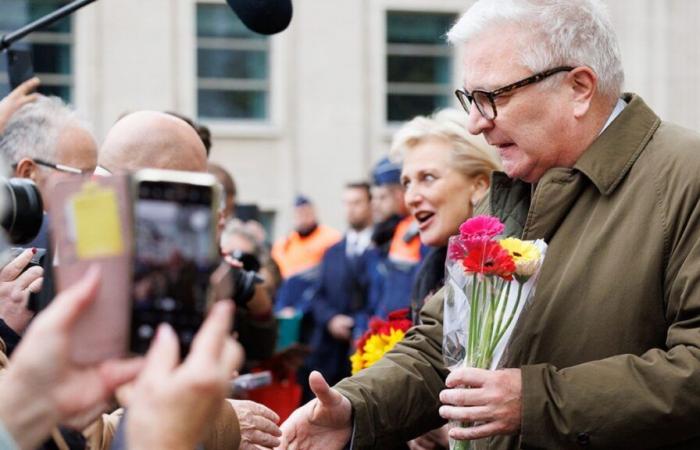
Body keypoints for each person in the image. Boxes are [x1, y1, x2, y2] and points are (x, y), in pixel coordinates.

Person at [279, 0, 700, 448]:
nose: (475, 123)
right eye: (469, 99)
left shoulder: (684, 175)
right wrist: (355, 409)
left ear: (579, 88)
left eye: (492, 97)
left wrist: (536, 401)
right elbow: (442, 345)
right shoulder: (516, 191)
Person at [97, 110, 282, 450]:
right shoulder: (63, 272)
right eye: (194, 190)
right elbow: (83, 435)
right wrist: (217, 423)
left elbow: (262, 339)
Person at [388, 110, 499, 450]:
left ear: (479, 185)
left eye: (428, 178)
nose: (411, 196)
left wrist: (459, 428)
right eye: (407, 182)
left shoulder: (510, 264)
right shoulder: (429, 271)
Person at [304, 182, 373, 399]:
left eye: (357, 202)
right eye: (346, 203)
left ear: (371, 204)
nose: (350, 208)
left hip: (368, 350)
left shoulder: (383, 249)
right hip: (331, 355)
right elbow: (318, 296)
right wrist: (331, 319)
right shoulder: (332, 252)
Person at [364, 158, 424, 325]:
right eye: (373, 198)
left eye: (382, 197)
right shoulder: (383, 237)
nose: (375, 205)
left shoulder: (417, 231)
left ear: (400, 195)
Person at [272, 196, 341, 329]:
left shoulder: (330, 238)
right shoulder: (285, 243)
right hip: (288, 298)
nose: (302, 218)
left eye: (306, 213)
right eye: (298, 213)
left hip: (316, 297)